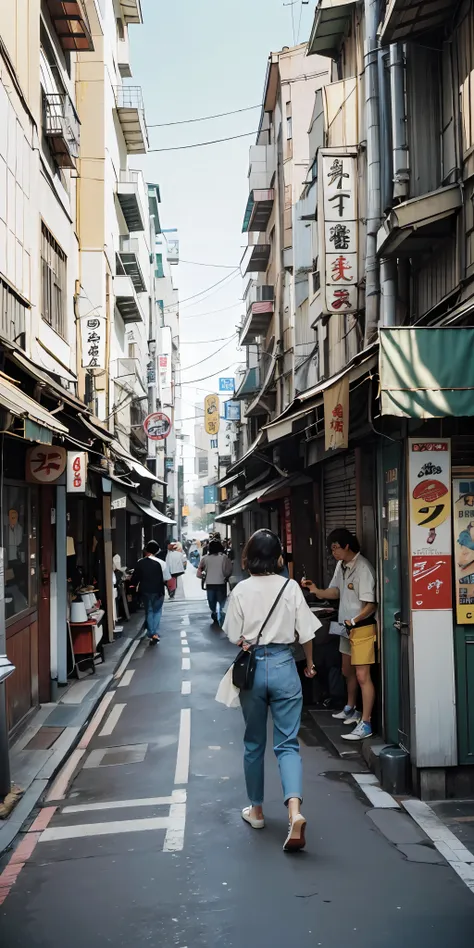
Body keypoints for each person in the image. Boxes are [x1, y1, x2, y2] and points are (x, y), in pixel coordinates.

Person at [223, 529, 319, 852]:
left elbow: (232, 634)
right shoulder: (290, 587)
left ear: (248, 558)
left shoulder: (240, 590)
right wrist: (309, 664)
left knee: (253, 742)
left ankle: (258, 810)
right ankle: (294, 811)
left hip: (252, 668)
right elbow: (306, 632)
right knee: (288, 743)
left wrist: (249, 640)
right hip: (283, 665)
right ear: (279, 558)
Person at [302, 528, 376, 741]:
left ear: (346, 546)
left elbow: (370, 604)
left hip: (361, 628)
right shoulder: (341, 566)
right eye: (331, 548)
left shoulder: (364, 569)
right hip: (346, 627)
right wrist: (316, 590)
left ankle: (367, 723)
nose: (333, 552)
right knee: (347, 670)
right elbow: (335, 592)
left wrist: (354, 620)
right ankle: (351, 708)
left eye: (335, 548)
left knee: (363, 675)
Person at [132, 540, 171, 645]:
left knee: (149, 611)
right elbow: (167, 578)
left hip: (145, 590)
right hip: (158, 590)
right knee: (157, 611)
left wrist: (133, 585)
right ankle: (154, 633)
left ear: (146, 550)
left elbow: (135, 578)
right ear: (157, 551)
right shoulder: (162, 563)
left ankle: (151, 633)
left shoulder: (140, 562)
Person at [198, 539, 233, 625]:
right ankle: (221, 615)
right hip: (221, 583)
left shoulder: (205, 558)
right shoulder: (224, 557)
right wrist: (225, 576)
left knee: (211, 601)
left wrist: (203, 576)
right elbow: (228, 570)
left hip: (210, 584)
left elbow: (199, 571)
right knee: (222, 602)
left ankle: (214, 613)